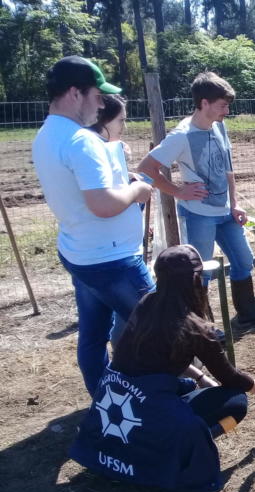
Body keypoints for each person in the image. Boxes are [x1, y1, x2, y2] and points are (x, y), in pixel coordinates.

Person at [70, 244, 255, 492]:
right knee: (237, 401)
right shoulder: (197, 329)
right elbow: (230, 378)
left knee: (187, 386)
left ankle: (146, 437)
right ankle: (179, 445)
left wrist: (200, 377)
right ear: (195, 280)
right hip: (150, 401)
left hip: (118, 395)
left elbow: (161, 356)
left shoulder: (147, 303)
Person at [32, 56, 154, 397]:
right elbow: (102, 204)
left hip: (81, 251)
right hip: (112, 260)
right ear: (75, 93)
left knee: (93, 335)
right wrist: (138, 191)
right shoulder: (81, 141)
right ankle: (165, 398)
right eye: (97, 96)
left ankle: (105, 401)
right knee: (160, 328)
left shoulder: (47, 134)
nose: (101, 105)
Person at [138, 72, 255, 327]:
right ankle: (202, 328)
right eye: (222, 105)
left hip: (226, 212)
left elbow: (227, 169)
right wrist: (178, 191)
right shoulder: (182, 135)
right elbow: (146, 168)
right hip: (198, 214)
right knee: (200, 271)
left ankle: (247, 313)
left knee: (243, 260)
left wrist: (234, 204)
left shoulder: (219, 126)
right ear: (204, 103)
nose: (227, 111)